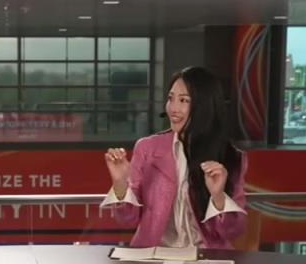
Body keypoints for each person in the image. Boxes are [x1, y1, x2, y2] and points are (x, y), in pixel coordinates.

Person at [102, 66, 247, 248]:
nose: (173, 108)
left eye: (183, 100)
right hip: (154, 254)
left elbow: (233, 231)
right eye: (171, 99)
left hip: (206, 257)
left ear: (204, 106)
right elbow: (127, 221)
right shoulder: (147, 149)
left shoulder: (231, 156)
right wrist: (120, 184)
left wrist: (218, 196)